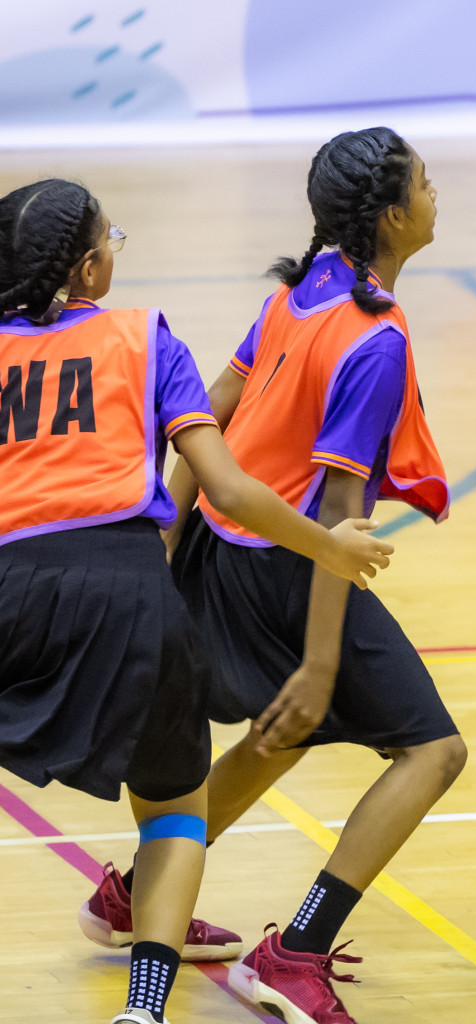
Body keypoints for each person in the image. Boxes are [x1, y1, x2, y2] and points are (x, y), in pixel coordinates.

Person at [77, 128, 463, 1024]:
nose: (437, 194)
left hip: (218, 542)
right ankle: (296, 953)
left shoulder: (306, 285)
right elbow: (338, 520)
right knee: (433, 750)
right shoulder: (377, 339)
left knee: (283, 731)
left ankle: (138, 895)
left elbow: (208, 403)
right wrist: (321, 660)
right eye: (426, 183)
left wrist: (170, 532)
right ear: (395, 217)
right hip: (286, 569)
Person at [0, 178, 392, 1024]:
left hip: (7, 588)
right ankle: (144, 1010)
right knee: (175, 806)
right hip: (124, 592)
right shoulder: (143, 338)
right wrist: (331, 544)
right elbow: (228, 488)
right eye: (114, 239)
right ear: (90, 267)